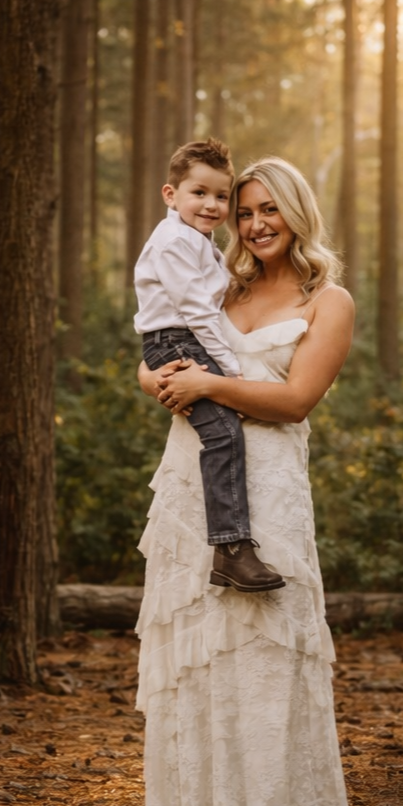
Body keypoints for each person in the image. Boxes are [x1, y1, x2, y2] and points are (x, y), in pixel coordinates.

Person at [135, 156, 355, 806]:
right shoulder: (219, 285)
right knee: (200, 646)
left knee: (263, 644)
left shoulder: (330, 302)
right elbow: (159, 350)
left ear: (297, 213)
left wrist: (208, 381)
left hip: (270, 484)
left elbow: (295, 402)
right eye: (246, 212)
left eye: (271, 211)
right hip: (193, 477)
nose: (256, 224)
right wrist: (159, 376)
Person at [134, 137, 284, 594]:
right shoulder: (175, 242)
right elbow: (198, 312)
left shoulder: (198, 241)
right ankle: (231, 550)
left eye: (222, 196)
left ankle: (230, 546)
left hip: (186, 340)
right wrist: (229, 372)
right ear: (170, 194)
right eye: (199, 192)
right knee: (221, 432)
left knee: (222, 429)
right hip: (177, 342)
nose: (212, 205)